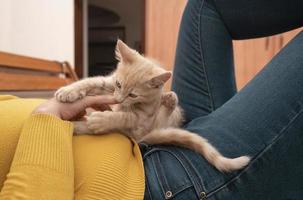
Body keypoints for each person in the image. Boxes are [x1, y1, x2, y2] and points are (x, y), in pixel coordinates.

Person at [1, 0, 303, 199]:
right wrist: (48, 117)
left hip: (157, 140)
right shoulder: (52, 117)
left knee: (204, 7)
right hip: (158, 183)